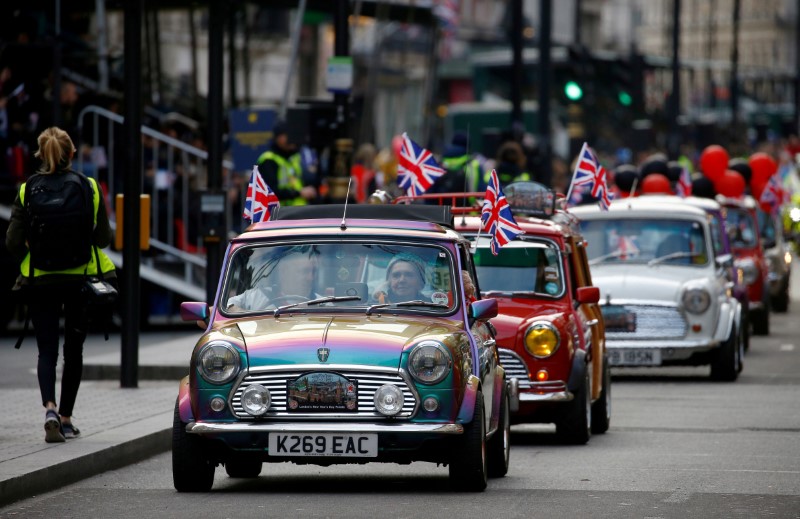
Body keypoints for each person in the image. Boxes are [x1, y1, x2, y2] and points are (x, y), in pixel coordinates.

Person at [5, 126, 116, 443]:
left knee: (46, 351)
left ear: (41, 154)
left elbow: (12, 243)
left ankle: (50, 409)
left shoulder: (27, 190)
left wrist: (35, 249)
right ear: (73, 154)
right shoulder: (89, 187)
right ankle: (67, 419)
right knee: (74, 351)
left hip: (40, 280)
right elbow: (103, 240)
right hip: (80, 280)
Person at [226, 249, 319, 312]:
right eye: (304, 272)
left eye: (313, 272)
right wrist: (247, 319)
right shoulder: (257, 297)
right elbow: (224, 307)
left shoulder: (324, 302)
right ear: (285, 272)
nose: (310, 278)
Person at [255, 121, 316, 206]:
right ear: (278, 138)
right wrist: (299, 193)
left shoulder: (295, 156)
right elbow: (270, 192)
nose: (292, 139)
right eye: (288, 135)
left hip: (299, 211)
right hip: (280, 214)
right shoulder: (268, 159)